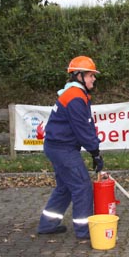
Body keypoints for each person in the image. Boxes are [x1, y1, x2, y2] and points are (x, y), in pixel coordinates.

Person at [37, 56, 104, 240]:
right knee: (82, 186)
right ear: (79, 76)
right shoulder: (75, 97)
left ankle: (47, 224)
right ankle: (84, 230)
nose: (94, 79)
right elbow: (82, 129)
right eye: (91, 75)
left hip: (57, 146)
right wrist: (95, 152)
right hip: (62, 149)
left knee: (65, 187)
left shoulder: (77, 94)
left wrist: (94, 150)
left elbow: (86, 125)